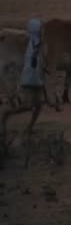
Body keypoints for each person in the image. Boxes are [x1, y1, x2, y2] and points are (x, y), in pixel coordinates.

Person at [1, 19, 49, 149]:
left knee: (39, 105)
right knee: (28, 106)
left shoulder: (35, 43)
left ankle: (28, 128)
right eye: (40, 29)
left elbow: (38, 61)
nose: (42, 31)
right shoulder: (33, 44)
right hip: (30, 81)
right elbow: (32, 62)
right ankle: (6, 115)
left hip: (36, 80)